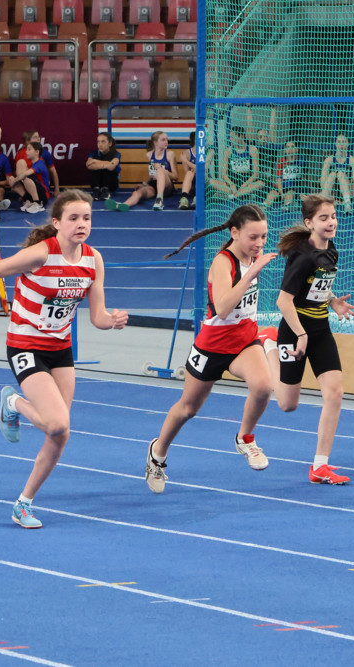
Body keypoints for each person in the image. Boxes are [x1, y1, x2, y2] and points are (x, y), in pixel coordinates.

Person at [0, 189, 128, 528]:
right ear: (57, 223)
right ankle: (13, 402)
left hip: (60, 350)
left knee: (60, 433)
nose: (81, 224)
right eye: (73, 218)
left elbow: (97, 317)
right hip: (25, 346)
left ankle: (23, 503)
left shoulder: (94, 260)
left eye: (87, 218)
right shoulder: (41, 254)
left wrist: (113, 321)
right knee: (57, 422)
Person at [144, 205, 277, 494]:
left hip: (243, 341)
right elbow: (223, 307)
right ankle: (158, 454)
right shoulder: (223, 262)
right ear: (235, 233)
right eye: (253, 237)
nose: (260, 244)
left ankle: (245, 437)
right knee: (188, 409)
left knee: (264, 386)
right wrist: (252, 271)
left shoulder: (253, 257)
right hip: (212, 345)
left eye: (264, 237)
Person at [261, 195, 354, 485]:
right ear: (309, 223)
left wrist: (332, 301)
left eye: (333, 216)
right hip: (294, 330)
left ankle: (319, 466)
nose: (331, 222)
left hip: (320, 330)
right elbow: (282, 301)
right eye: (324, 218)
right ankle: (268, 345)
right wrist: (300, 333)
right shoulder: (301, 256)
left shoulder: (332, 251)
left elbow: (317, 286)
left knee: (335, 393)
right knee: (287, 404)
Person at [106, 131, 177, 212]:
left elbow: (175, 177)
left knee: (160, 171)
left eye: (167, 140)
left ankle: (159, 200)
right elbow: (152, 174)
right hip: (154, 185)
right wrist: (145, 184)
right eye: (163, 140)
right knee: (138, 192)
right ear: (155, 142)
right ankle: (124, 204)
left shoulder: (170, 154)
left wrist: (162, 170)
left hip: (167, 186)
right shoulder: (149, 155)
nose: (166, 142)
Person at [220, 127, 264, 201]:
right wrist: (231, 184)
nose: (230, 139)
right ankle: (240, 193)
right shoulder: (228, 151)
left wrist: (245, 185)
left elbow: (255, 174)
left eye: (233, 137)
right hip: (233, 182)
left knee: (260, 183)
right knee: (212, 182)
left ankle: (236, 195)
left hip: (247, 182)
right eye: (230, 137)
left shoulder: (252, 150)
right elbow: (223, 174)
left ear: (241, 136)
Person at [320, 134, 354, 214]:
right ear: (335, 144)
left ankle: (347, 204)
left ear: (348, 144)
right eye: (339, 142)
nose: (341, 144)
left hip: (347, 192)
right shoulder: (329, 160)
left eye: (344, 142)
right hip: (331, 193)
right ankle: (323, 202)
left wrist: (349, 195)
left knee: (341, 174)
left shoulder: (352, 161)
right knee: (333, 174)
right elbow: (323, 181)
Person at [264, 141, 306, 210]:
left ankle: (288, 205)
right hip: (281, 187)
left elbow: (305, 176)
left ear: (297, 149)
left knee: (290, 194)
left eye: (292, 146)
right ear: (285, 150)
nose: (290, 149)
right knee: (272, 194)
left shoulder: (301, 161)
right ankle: (264, 205)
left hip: (293, 188)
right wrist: (281, 193)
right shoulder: (281, 161)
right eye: (287, 147)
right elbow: (279, 178)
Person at [12, 141, 51, 214]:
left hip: (44, 196)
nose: (26, 152)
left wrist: (15, 180)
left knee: (25, 177)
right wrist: (14, 181)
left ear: (37, 152)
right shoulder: (33, 164)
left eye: (29, 149)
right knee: (16, 178)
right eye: (26, 149)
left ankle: (38, 204)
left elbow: (26, 174)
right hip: (34, 192)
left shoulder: (40, 163)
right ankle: (28, 201)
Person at [85, 131, 121, 202]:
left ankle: (105, 190)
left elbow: (111, 167)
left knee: (107, 170)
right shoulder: (93, 153)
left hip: (111, 184)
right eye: (98, 142)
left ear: (110, 143)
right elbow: (88, 165)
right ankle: (96, 190)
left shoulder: (116, 154)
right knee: (96, 169)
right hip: (97, 182)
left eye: (103, 142)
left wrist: (95, 161)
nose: (100, 144)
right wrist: (106, 164)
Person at [177, 131, 196, 210]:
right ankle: (184, 199)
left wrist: (186, 161)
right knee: (189, 173)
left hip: (205, 183)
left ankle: (197, 197)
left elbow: (202, 169)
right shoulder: (187, 153)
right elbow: (186, 172)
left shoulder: (209, 151)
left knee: (202, 173)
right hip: (192, 184)